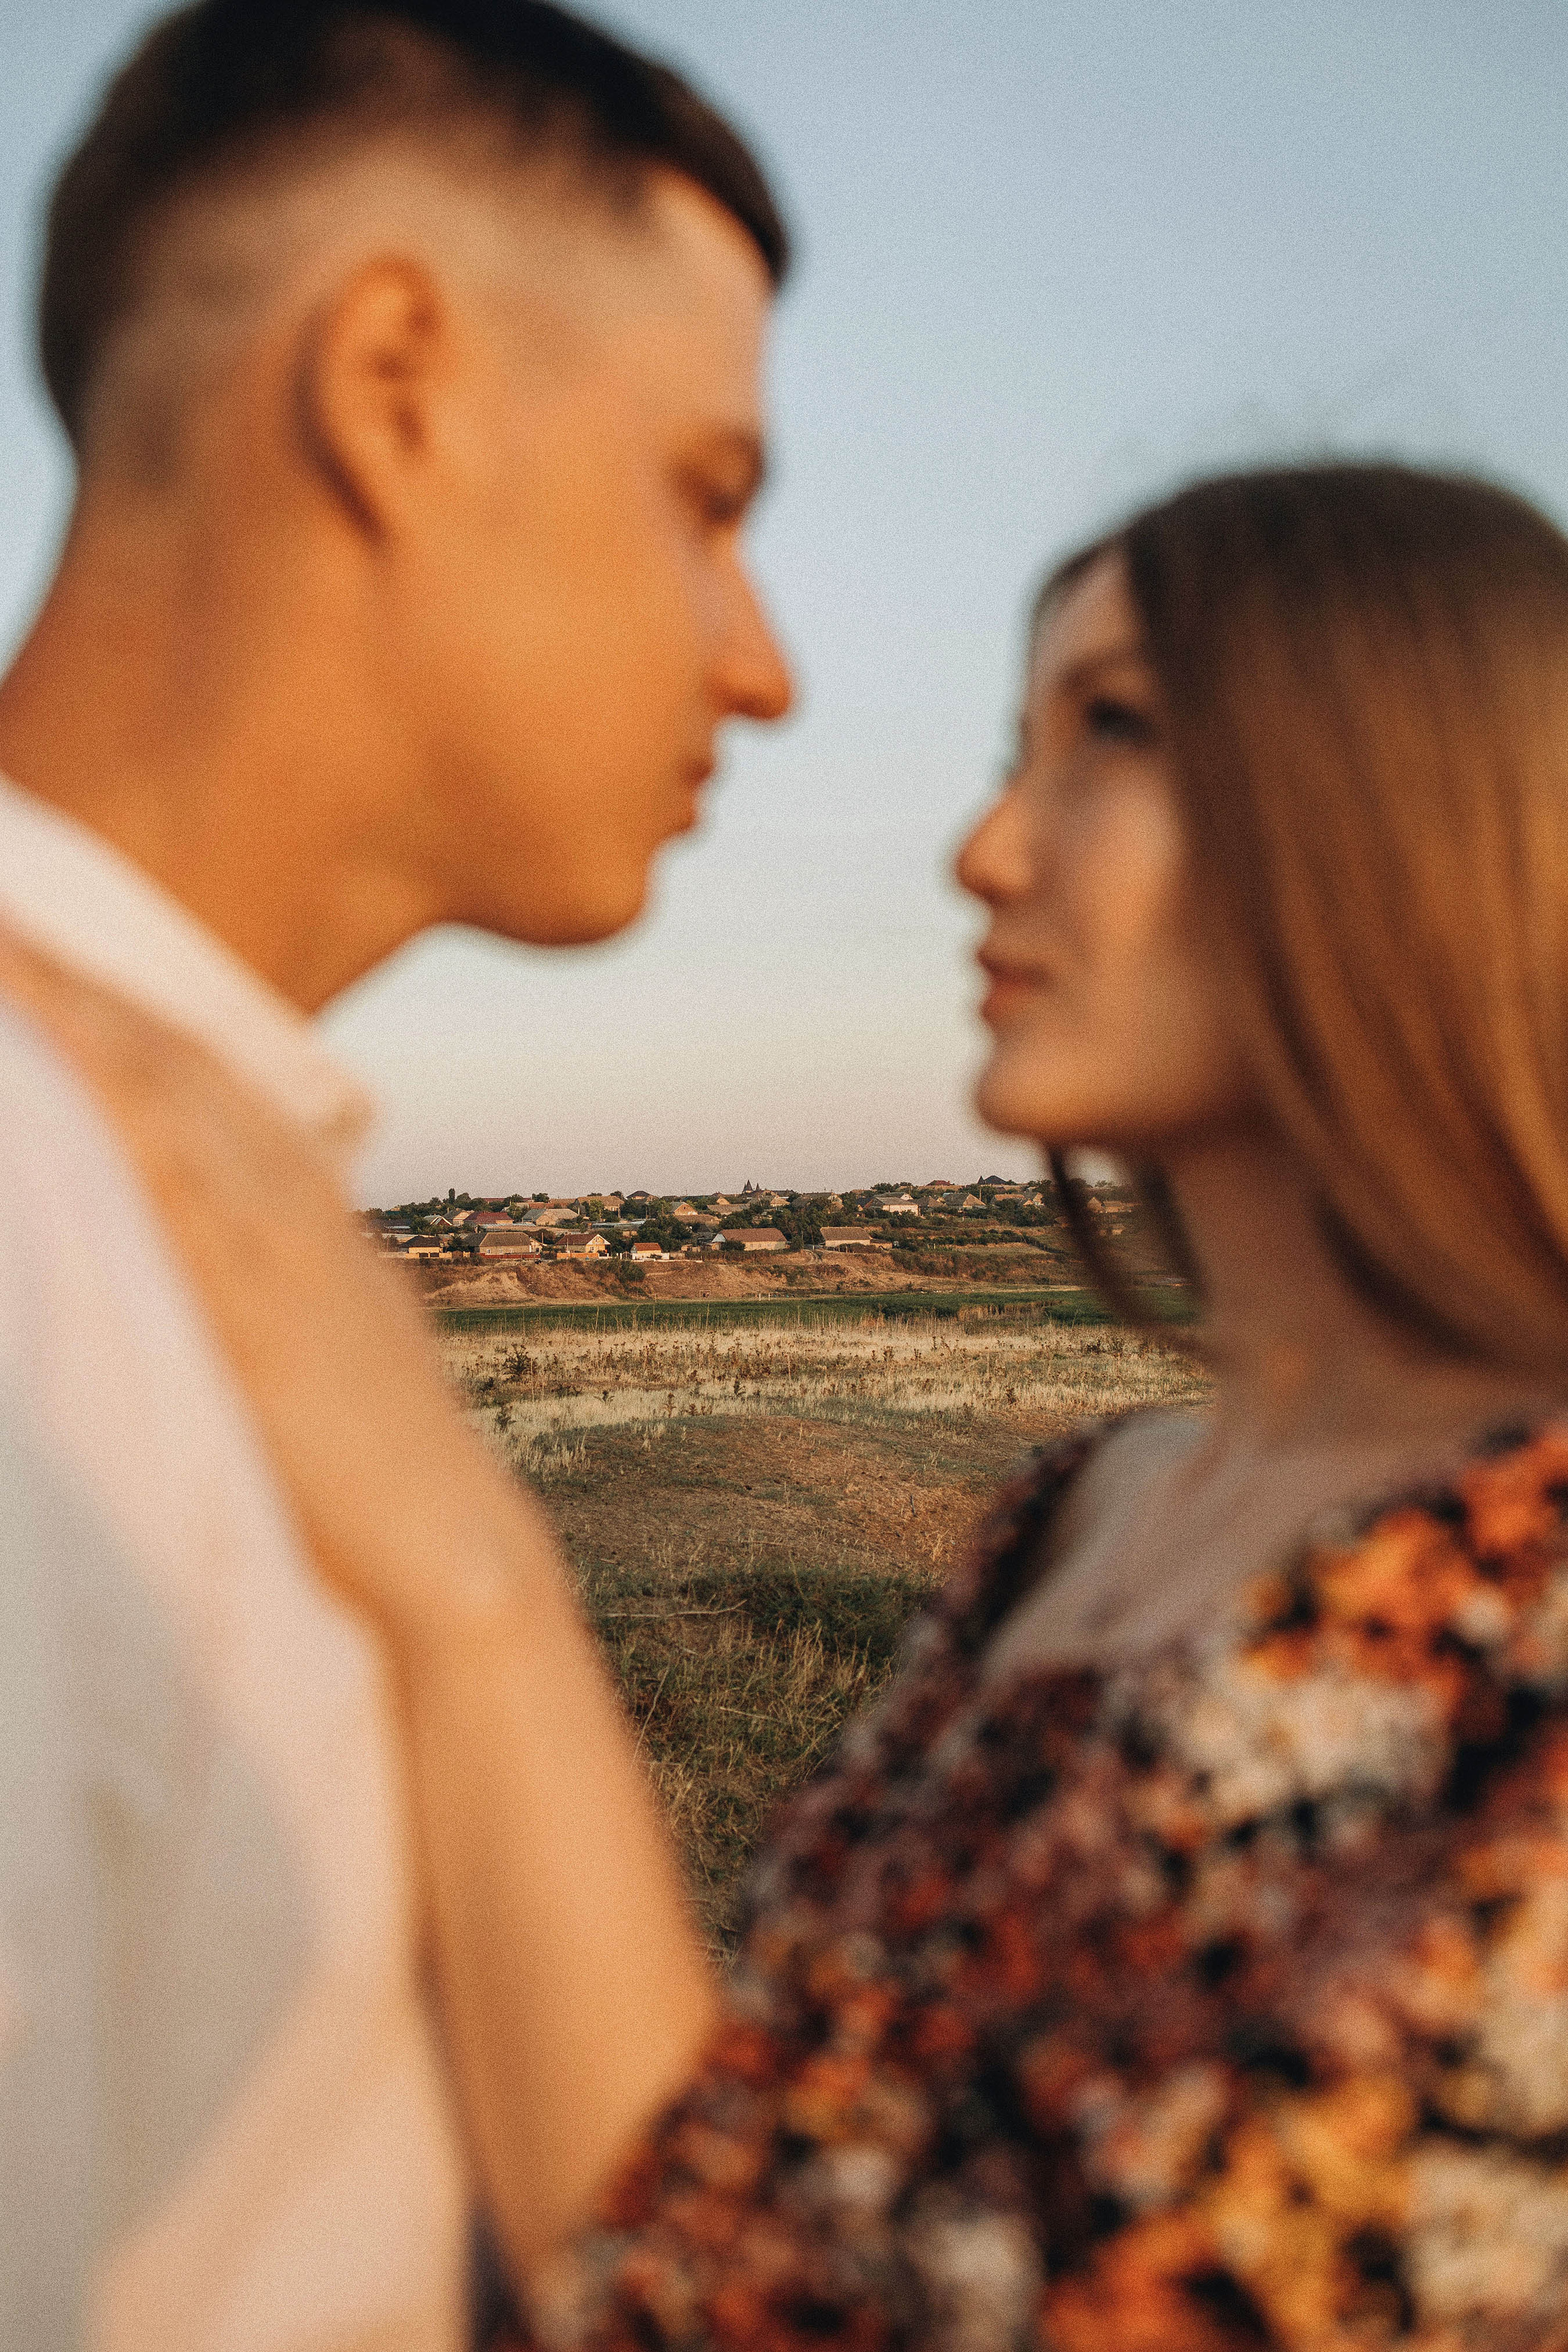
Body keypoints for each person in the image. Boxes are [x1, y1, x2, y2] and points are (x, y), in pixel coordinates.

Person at [14, 458, 1568, 2352]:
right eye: (1019, 746)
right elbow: (725, 2219)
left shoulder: (1528, 1619)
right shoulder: (1079, 1517)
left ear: (1411, 817)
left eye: (1116, 733)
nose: (988, 848)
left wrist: (465, 1563)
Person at [0, 2, 792, 2345]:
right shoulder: (36, 1223)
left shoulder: (183, 1195)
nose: (763, 669)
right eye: (710, 495)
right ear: (395, 386)